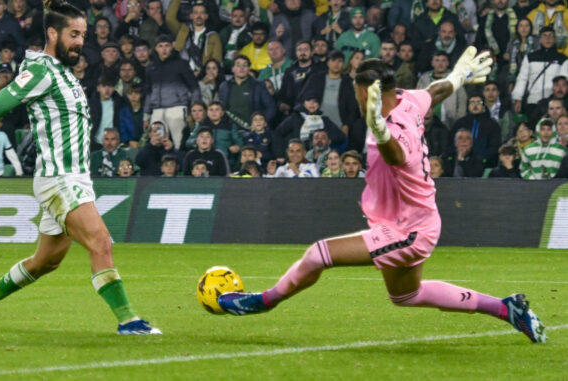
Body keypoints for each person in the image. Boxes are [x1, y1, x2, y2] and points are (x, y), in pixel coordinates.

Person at [216, 51, 548, 345]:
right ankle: (507, 308)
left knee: (318, 255)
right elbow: (435, 91)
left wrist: (379, 129)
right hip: (419, 218)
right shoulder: (407, 98)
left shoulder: (390, 130)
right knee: (407, 295)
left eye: (356, 92)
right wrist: (458, 76)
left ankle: (261, 301)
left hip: (407, 231)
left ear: (364, 92)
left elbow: (396, 154)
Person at [0, 0, 161, 335]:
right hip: (60, 179)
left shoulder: (61, 74)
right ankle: (129, 320)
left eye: (83, 35)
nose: (80, 41)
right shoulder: (40, 70)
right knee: (101, 242)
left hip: (73, 178)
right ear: (53, 32)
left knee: (46, 261)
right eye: (74, 34)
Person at [144, 34, 201, 151]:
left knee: (179, 143)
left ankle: (180, 166)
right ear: (156, 48)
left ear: (172, 47)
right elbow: (149, 92)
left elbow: (194, 88)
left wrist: (194, 109)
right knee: (156, 144)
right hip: (157, 110)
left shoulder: (182, 64)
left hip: (178, 109)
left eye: (167, 46)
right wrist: (146, 116)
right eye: (160, 46)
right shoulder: (151, 67)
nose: (164, 49)